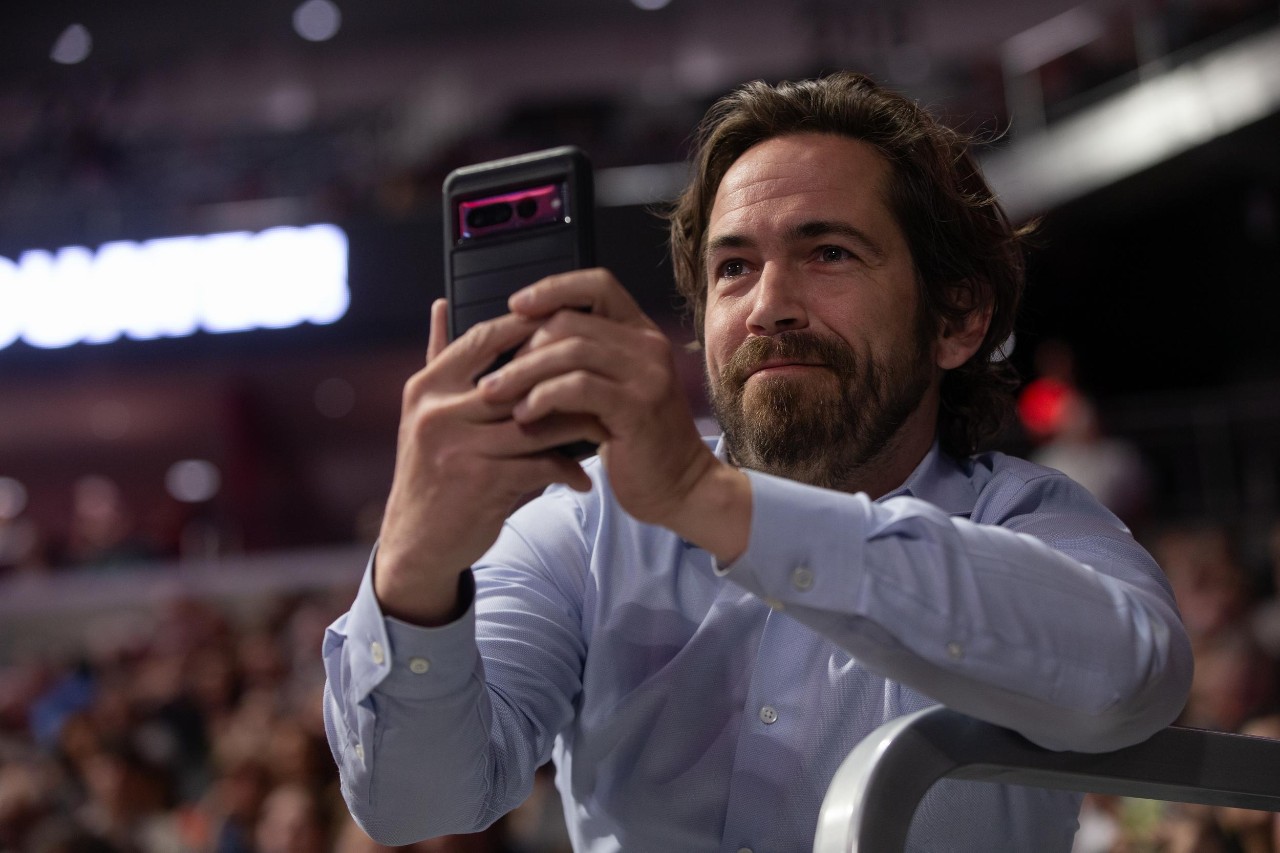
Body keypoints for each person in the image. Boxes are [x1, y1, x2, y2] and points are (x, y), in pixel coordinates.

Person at [322, 72, 1193, 852]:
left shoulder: (1029, 521)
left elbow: (1128, 681)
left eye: (830, 253)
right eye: (734, 267)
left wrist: (709, 500)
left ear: (957, 319)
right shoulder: (583, 524)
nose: (770, 305)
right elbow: (413, 803)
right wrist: (414, 568)